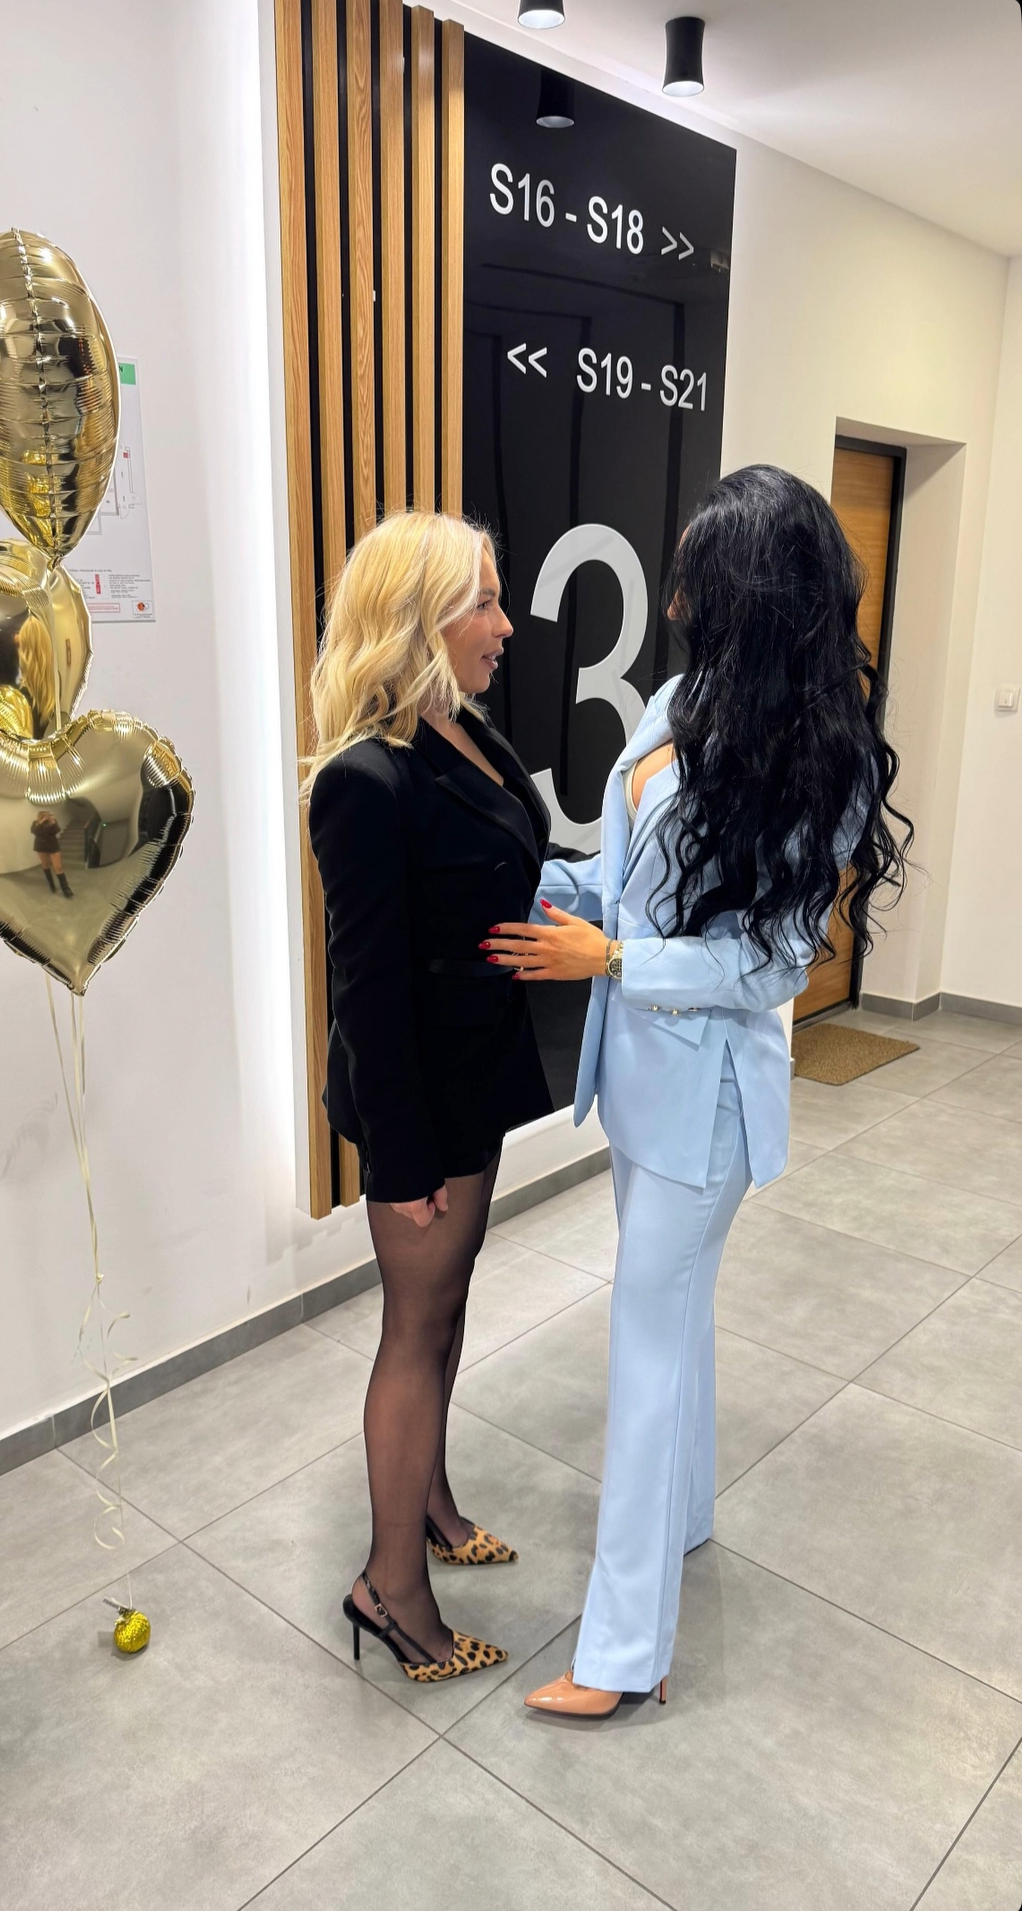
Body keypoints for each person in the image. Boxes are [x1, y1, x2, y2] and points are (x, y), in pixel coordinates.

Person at [482, 466, 912, 1718]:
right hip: (636, 1083)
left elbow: (768, 965)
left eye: (695, 580)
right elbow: (633, 880)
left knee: (647, 1350)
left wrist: (615, 960)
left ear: (754, 595)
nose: (672, 603)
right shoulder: (683, 701)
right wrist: (546, 882)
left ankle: (625, 1654)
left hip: (705, 1107)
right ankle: (682, 1523)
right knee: (675, 1324)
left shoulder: (818, 761)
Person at [304, 510, 553, 1685]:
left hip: (478, 1075)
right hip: (419, 1106)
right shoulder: (363, 780)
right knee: (415, 1329)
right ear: (417, 620)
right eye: (484, 602)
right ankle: (390, 1589)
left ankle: (435, 1505)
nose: (505, 625)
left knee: (447, 1312)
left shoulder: (466, 729)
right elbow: (366, 989)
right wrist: (397, 1166)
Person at [31, 810, 72, 898]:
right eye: (43, 815)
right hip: (41, 846)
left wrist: (52, 821)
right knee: (45, 865)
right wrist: (41, 821)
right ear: (39, 816)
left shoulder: (52, 821)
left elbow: (57, 830)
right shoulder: (35, 823)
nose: (46, 816)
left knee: (58, 866)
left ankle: (66, 889)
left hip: (53, 846)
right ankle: (51, 884)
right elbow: (35, 832)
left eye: (47, 815)